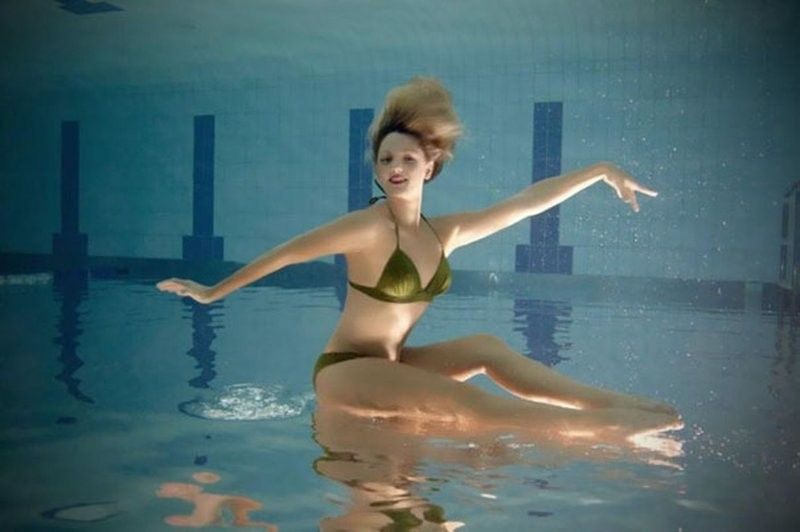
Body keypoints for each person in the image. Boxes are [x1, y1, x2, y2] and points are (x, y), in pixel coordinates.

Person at [157, 77, 681, 443]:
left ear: (429, 167)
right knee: (468, 406)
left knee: (485, 347)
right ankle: (608, 432)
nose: (394, 167)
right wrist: (212, 292)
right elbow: (289, 252)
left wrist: (599, 170)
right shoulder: (370, 225)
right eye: (385, 158)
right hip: (346, 371)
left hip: (393, 364)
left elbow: (523, 204)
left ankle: (607, 404)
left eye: (407, 158)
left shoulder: (442, 232)